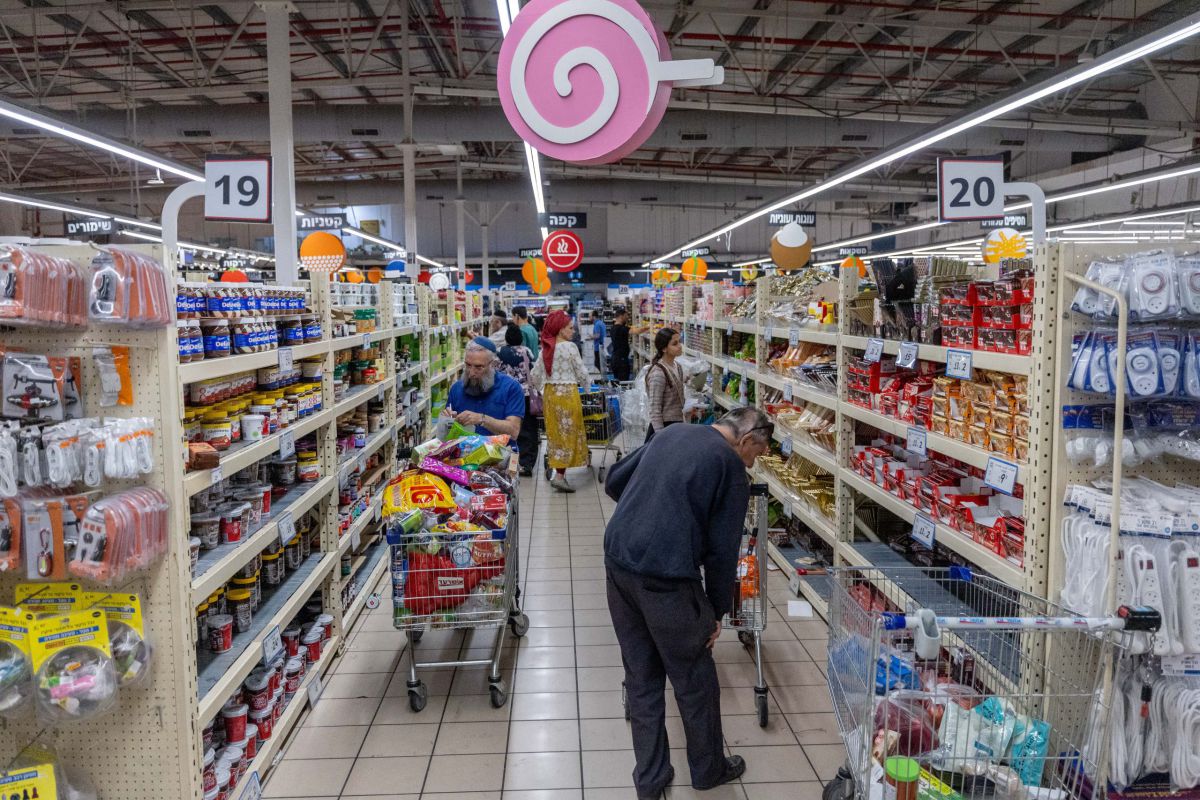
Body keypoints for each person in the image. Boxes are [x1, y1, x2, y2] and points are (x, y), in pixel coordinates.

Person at [603, 407, 774, 798]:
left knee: (642, 677)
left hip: (618, 562)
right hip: (665, 577)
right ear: (745, 440)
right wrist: (715, 613)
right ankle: (708, 768)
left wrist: (650, 512)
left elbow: (615, 481)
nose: (753, 463)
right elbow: (721, 551)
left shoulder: (672, 432)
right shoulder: (730, 467)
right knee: (694, 678)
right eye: (757, 455)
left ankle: (650, 780)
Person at [531, 310, 590, 493]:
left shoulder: (546, 349)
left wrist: (542, 388)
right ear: (560, 329)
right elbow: (582, 373)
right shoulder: (570, 347)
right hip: (567, 394)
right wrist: (588, 389)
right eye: (570, 328)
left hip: (551, 396)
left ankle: (559, 472)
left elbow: (534, 376)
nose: (573, 331)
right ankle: (560, 476)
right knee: (570, 434)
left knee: (555, 435)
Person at [446, 337, 524, 438]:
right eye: (468, 365)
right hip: (463, 451)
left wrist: (482, 419)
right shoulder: (456, 389)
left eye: (478, 367)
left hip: (500, 451)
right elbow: (447, 434)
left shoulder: (511, 388)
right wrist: (446, 421)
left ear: (493, 364)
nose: (471, 373)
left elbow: (513, 431)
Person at [498, 323, 540, 476]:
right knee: (529, 429)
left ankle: (511, 462)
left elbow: (498, 372)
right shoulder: (527, 351)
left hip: (508, 396)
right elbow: (533, 371)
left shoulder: (501, 352)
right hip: (527, 395)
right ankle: (527, 464)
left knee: (511, 429)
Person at [644, 327, 685, 443]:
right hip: (664, 428)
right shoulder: (658, 373)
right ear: (664, 348)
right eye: (675, 344)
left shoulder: (678, 366)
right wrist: (661, 438)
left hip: (677, 426)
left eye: (679, 341)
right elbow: (655, 409)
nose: (680, 346)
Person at [610, 307, 632, 382]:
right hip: (621, 361)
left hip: (615, 359)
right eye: (626, 316)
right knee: (623, 382)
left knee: (618, 382)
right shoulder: (621, 328)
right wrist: (649, 327)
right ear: (621, 316)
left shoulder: (613, 328)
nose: (627, 318)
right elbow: (636, 331)